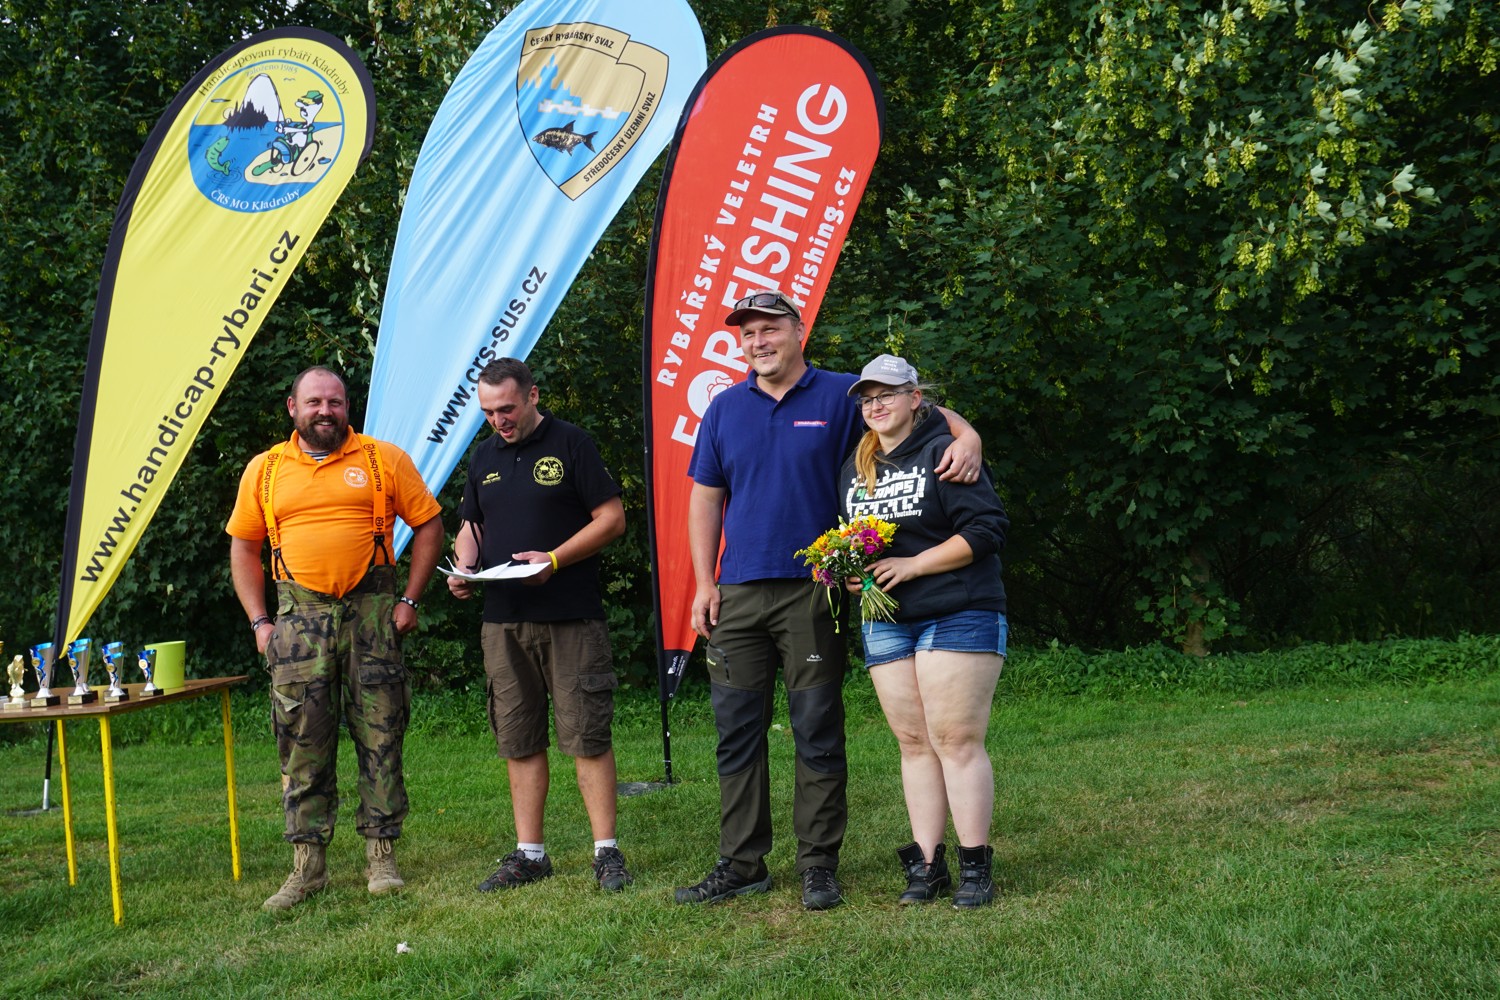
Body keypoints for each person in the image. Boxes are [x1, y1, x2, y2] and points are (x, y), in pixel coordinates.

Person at [678, 290, 985, 911]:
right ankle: (741, 863)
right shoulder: (724, 409)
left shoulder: (842, 394)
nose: (758, 342)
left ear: (798, 331)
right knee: (736, 730)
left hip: (814, 592)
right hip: (737, 592)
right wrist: (704, 583)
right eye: (747, 333)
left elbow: (920, 409)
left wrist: (969, 435)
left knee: (816, 726)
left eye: (770, 329)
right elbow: (706, 498)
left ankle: (818, 864)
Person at [227, 366, 443, 911]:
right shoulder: (265, 470)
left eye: (336, 402)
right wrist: (260, 622)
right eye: (315, 402)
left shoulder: (382, 459)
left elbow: (429, 525)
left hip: (373, 614)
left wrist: (410, 600)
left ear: (348, 407)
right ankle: (308, 868)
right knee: (301, 743)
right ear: (292, 407)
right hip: (298, 618)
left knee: (381, 734)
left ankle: (381, 857)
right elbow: (244, 547)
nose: (326, 411)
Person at [447, 359, 632, 894]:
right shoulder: (484, 456)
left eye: (506, 408)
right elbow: (472, 525)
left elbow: (612, 520)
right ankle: (530, 855)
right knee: (518, 735)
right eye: (488, 413)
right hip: (503, 620)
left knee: (586, 733)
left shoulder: (572, 443)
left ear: (532, 395)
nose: (498, 421)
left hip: (570, 614)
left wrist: (553, 559)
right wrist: (465, 566)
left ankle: (606, 852)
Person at [841, 354, 1009, 908]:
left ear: (916, 398)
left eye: (887, 394)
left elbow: (986, 529)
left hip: (958, 609)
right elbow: (863, 542)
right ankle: (928, 865)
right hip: (888, 620)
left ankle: (975, 866)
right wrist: (851, 572)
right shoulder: (855, 469)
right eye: (867, 398)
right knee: (914, 743)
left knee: (955, 740)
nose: (876, 405)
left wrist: (913, 566)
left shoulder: (946, 452)